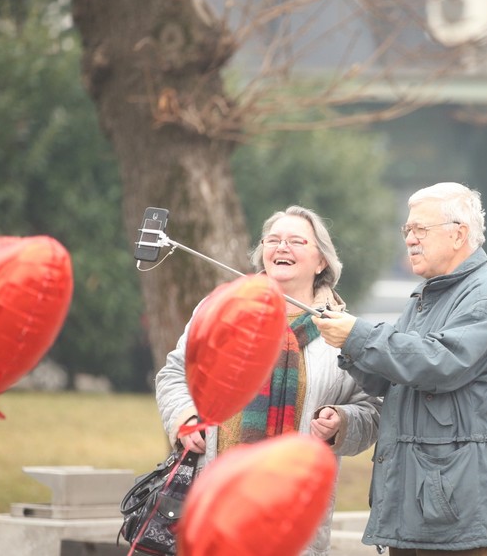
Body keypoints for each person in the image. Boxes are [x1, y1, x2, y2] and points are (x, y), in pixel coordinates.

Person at [313, 182, 487, 556]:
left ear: (459, 234)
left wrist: (360, 336)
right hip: (417, 502)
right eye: (407, 230)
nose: (410, 239)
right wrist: (347, 342)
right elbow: (393, 377)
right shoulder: (428, 295)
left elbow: (439, 364)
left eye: (420, 230)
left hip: (457, 508)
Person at [155, 205, 382, 556]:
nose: (282, 248)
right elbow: (174, 373)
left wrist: (342, 422)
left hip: (291, 513)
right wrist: (183, 415)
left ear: (321, 261)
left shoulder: (343, 332)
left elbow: (373, 409)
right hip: (214, 499)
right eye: (273, 240)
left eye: (295, 241)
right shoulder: (221, 311)